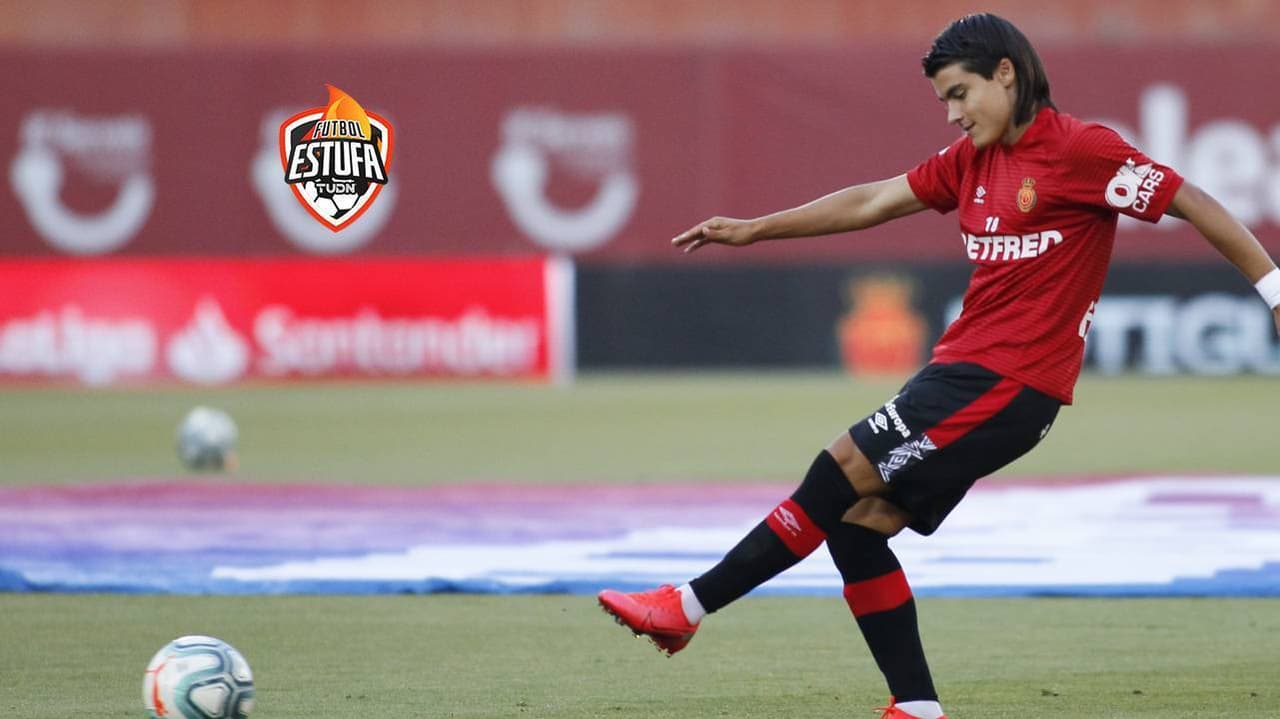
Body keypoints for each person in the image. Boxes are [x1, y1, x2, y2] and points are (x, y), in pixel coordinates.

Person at [597, 12, 1280, 719]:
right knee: (856, 524)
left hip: (1004, 383)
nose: (953, 114)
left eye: (960, 94)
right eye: (944, 101)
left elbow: (1190, 200)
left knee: (838, 468)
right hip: (968, 379)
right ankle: (917, 706)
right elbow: (873, 200)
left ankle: (686, 606)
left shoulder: (1080, 149)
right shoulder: (970, 162)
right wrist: (754, 229)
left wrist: (1274, 291)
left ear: (1005, 74)